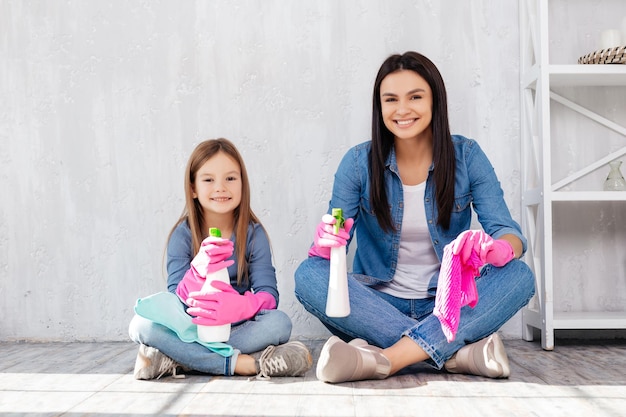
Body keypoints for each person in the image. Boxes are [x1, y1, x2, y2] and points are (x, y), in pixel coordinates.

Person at [294, 51, 536, 384]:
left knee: (519, 276)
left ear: (435, 100)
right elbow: (328, 255)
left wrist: (500, 250)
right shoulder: (356, 163)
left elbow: (508, 232)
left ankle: (388, 359)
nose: (402, 109)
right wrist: (325, 243)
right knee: (309, 275)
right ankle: (453, 355)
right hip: (377, 305)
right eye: (391, 99)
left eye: (415, 97)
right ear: (379, 107)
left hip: (449, 302)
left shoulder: (467, 156)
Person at [129, 138, 312, 380]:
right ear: (193, 188)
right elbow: (174, 300)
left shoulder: (253, 235)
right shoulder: (182, 236)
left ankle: (181, 357)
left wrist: (240, 307)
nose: (220, 187)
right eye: (208, 180)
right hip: (191, 327)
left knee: (280, 323)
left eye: (230, 178)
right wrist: (197, 273)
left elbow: (269, 296)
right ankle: (237, 363)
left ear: (242, 184)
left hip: (237, 328)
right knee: (141, 324)